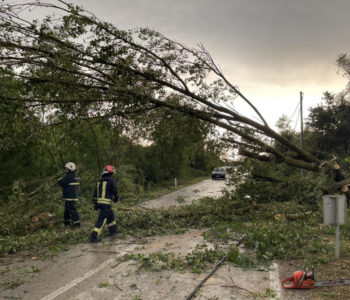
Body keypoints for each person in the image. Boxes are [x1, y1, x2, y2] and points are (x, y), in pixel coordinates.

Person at [90, 165, 119, 243]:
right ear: (110, 173)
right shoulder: (111, 181)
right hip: (106, 204)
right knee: (101, 220)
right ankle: (94, 236)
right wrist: (116, 197)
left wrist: (95, 204)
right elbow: (114, 190)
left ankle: (113, 231)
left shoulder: (98, 182)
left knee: (110, 216)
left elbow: (95, 194)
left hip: (100, 204)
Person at [58, 162, 81, 228]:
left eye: (66, 168)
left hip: (70, 196)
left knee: (72, 210)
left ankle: (77, 224)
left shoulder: (69, 176)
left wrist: (59, 180)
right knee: (67, 210)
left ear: (70, 169)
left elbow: (63, 183)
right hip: (73, 196)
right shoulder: (76, 175)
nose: (66, 170)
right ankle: (66, 223)